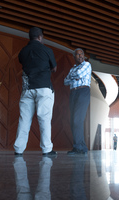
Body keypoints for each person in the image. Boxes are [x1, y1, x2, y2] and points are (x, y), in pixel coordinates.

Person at [14, 27, 57, 156]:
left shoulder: (23, 51)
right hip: (43, 88)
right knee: (44, 118)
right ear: (40, 37)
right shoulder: (47, 50)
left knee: (24, 119)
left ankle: (18, 149)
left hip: (27, 89)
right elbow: (54, 68)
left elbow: (23, 61)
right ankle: (46, 149)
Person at [64, 48, 92, 155]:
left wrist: (73, 77)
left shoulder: (87, 65)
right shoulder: (73, 68)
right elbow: (65, 81)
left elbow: (79, 74)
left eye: (82, 54)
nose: (80, 56)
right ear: (74, 57)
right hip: (73, 93)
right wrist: (73, 76)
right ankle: (79, 147)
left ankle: (79, 147)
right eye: (77, 55)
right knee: (72, 121)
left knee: (77, 120)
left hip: (83, 91)